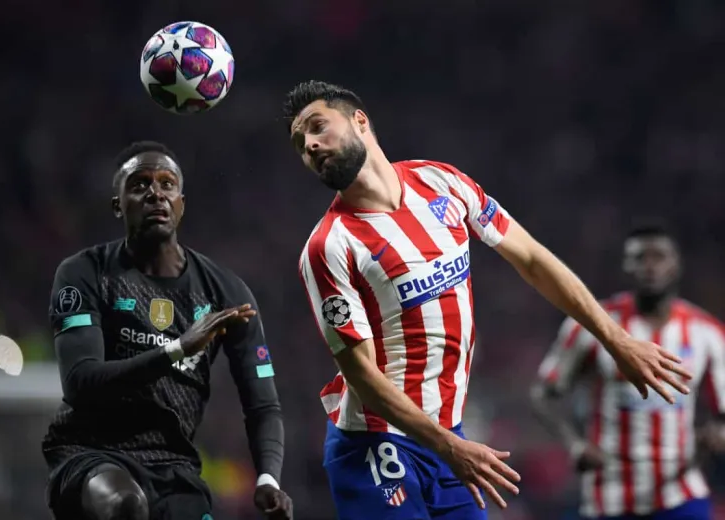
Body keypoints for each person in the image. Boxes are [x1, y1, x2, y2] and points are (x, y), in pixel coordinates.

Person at [282, 80, 692, 520]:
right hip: (374, 445)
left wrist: (616, 340)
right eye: (301, 144)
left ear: (360, 121)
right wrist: (449, 446)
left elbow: (532, 258)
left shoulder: (440, 181)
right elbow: (361, 375)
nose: (310, 146)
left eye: (317, 127)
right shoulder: (329, 247)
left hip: (448, 436)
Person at [42, 141, 293, 520]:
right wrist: (177, 349)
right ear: (118, 205)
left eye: (167, 184)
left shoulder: (225, 292)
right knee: (125, 505)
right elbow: (80, 381)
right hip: (92, 452)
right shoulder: (84, 272)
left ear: (181, 203)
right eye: (140, 184)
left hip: (174, 465)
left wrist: (268, 479)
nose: (155, 193)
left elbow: (262, 404)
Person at [531, 222, 725, 519]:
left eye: (659, 257)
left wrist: (718, 433)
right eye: (639, 258)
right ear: (626, 266)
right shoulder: (592, 324)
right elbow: (543, 394)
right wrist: (575, 444)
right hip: (610, 495)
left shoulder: (706, 332)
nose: (650, 266)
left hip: (680, 492)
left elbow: (722, 411)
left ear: (676, 265)